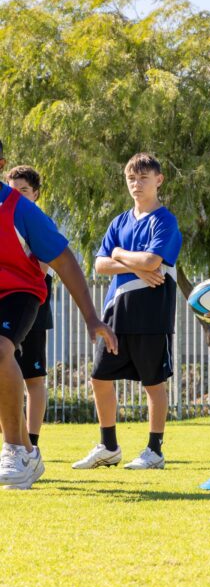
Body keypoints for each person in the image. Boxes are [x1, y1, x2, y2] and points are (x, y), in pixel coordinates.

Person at [0, 167, 117, 489]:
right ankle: (29, 453)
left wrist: (91, 317)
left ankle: (14, 449)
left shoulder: (19, 209)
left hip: (19, 291)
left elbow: (64, 260)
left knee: (0, 350)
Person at [72, 153, 182, 471]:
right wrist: (132, 263)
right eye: (131, 178)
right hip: (115, 314)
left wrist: (119, 254)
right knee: (99, 378)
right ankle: (108, 447)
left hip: (151, 316)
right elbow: (99, 264)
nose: (137, 184)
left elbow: (152, 261)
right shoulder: (119, 222)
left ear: (159, 180)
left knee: (153, 384)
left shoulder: (165, 221)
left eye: (143, 178)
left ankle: (154, 451)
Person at [8, 166, 54, 449]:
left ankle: (32, 443)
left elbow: (42, 267)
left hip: (33, 305)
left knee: (33, 378)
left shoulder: (41, 223)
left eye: (23, 190)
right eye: (12, 190)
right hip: (7, 304)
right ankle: (12, 441)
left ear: (35, 194)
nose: (17, 195)